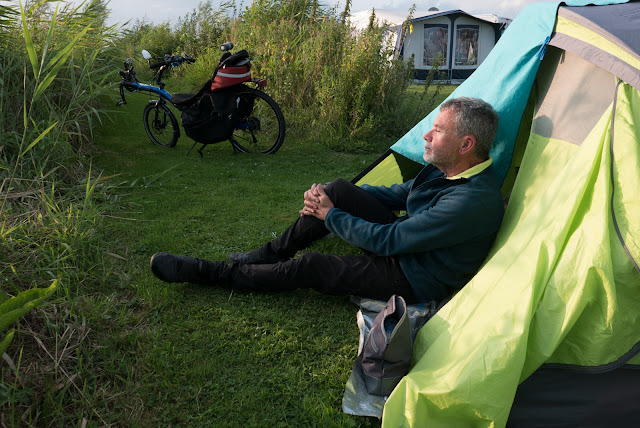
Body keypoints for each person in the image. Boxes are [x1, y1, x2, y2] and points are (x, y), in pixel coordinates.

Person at [150, 97, 505, 304]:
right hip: (407, 243)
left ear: (466, 144)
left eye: (438, 131)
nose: (427, 135)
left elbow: (389, 241)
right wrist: (329, 199)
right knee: (337, 187)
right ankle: (270, 254)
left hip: (413, 276)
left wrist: (331, 216)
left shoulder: (471, 201)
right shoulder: (447, 169)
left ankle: (211, 274)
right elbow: (399, 194)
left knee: (311, 266)